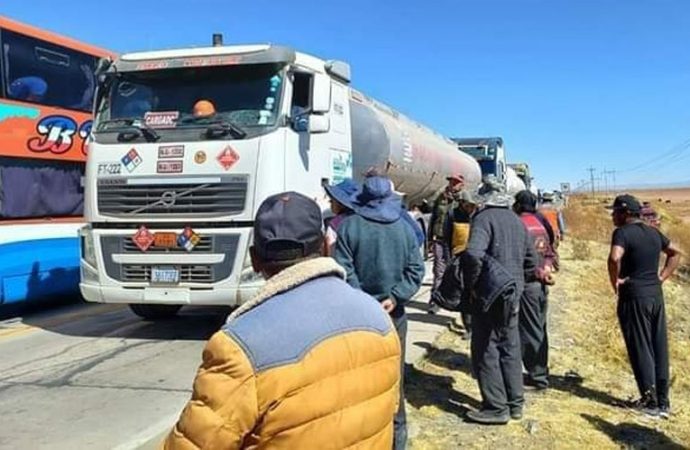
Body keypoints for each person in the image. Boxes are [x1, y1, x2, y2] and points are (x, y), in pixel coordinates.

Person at [163, 192, 402, 449]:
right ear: (323, 247)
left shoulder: (239, 347)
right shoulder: (379, 319)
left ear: (255, 260)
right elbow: (390, 412)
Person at [334, 175, 426, 450]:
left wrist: (362, 299)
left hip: (357, 318)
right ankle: (398, 443)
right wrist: (395, 298)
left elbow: (343, 269)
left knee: (359, 384)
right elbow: (416, 270)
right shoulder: (404, 229)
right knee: (393, 384)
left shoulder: (349, 227)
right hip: (394, 316)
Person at [461, 185, 538, 425]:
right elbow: (531, 260)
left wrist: (473, 285)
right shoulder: (517, 222)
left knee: (486, 349)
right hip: (513, 294)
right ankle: (515, 404)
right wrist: (518, 283)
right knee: (510, 347)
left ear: (484, 200)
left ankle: (495, 408)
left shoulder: (483, 219)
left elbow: (473, 254)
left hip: (490, 294)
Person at [607, 194, 680, 418]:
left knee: (640, 347)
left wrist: (615, 282)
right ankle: (663, 401)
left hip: (634, 296)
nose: (613, 216)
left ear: (626, 213)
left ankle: (650, 402)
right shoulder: (653, 232)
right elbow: (675, 253)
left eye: (616, 212)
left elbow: (613, 257)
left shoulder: (622, 233)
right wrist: (661, 277)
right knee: (658, 347)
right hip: (655, 296)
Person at [513, 190, 557, 391]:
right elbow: (551, 250)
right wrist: (547, 267)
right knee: (540, 328)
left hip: (528, 283)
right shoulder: (540, 222)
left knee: (529, 330)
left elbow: (517, 258)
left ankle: (538, 376)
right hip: (541, 284)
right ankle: (541, 370)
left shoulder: (518, 224)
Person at [443, 189, 479, 338]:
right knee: (463, 293)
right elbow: (446, 239)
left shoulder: (479, 216)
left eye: (473, 206)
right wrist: (448, 259)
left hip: (477, 260)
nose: (471, 208)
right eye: (468, 205)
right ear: (462, 203)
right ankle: (469, 327)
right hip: (459, 258)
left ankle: (478, 324)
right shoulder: (452, 215)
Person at [428, 174, 464, 314]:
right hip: (441, 239)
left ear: (461, 184)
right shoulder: (441, 197)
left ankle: (456, 300)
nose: (452, 184)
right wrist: (430, 238)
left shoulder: (465, 198)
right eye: (450, 182)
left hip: (456, 242)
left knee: (456, 272)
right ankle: (435, 301)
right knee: (438, 271)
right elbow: (433, 213)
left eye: (455, 182)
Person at [323, 178, 359, 254]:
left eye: (332, 200)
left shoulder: (334, 224)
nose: (330, 202)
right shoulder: (362, 220)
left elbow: (330, 252)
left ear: (340, 204)